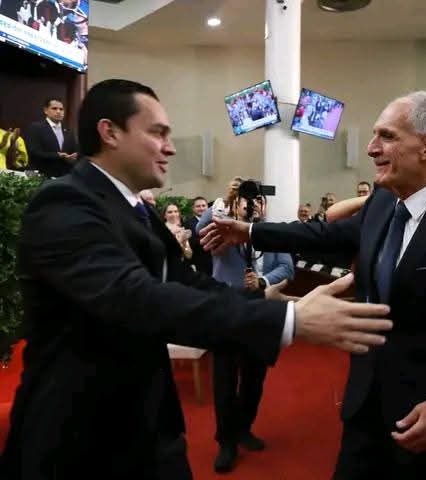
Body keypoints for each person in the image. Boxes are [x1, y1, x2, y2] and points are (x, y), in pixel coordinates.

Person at [0, 79, 392, 480]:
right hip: (82, 440)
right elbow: (138, 299)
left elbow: (188, 283)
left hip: (147, 426)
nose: (170, 148)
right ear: (110, 132)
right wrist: (293, 321)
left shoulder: (134, 210)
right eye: (158, 133)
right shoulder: (64, 204)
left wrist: (284, 307)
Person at [200, 91, 426, 480]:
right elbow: (325, 235)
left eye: (387, 136)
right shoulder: (381, 203)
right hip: (363, 408)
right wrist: (248, 232)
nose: (371, 147)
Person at [197, 183, 294, 472]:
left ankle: (243, 429)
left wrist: (263, 281)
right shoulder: (222, 227)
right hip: (226, 308)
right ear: (236, 203)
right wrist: (224, 200)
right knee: (225, 378)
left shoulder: (272, 232)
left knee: (255, 377)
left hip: (260, 308)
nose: (253, 205)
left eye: (258, 201)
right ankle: (226, 441)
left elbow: (287, 268)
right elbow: (200, 228)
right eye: (246, 200)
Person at [25, 97, 78, 177]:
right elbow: (34, 152)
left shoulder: (68, 130)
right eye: (54, 108)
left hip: (64, 176)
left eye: (61, 109)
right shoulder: (36, 128)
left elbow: (74, 150)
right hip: (41, 175)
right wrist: (57, 155)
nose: (58, 111)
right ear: (45, 110)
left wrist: (73, 157)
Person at [184, 196, 212, 275]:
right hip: (200, 261)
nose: (201, 208)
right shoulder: (188, 223)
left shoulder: (214, 220)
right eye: (198, 206)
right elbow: (191, 242)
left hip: (215, 260)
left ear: (207, 207)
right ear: (193, 208)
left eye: (203, 206)